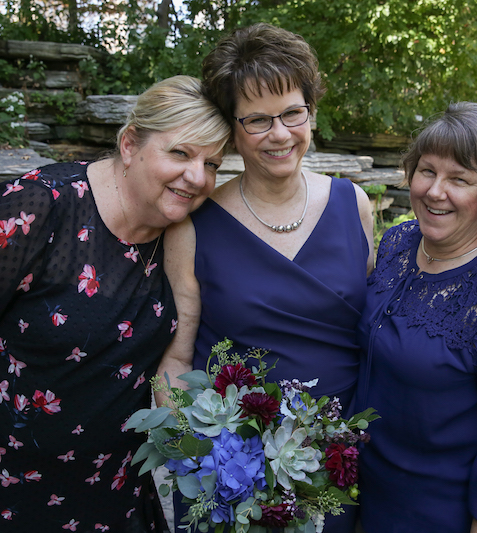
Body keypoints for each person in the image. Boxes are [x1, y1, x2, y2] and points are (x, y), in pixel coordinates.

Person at [0, 75, 229, 532]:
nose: (198, 177)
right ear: (129, 144)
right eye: (180, 153)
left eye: (213, 164)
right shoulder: (36, 209)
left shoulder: (180, 232)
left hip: (110, 498)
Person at [160, 23, 374, 532]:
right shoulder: (195, 225)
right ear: (232, 128)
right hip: (234, 479)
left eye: (292, 113)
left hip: (339, 463)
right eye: (257, 119)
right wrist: (195, 458)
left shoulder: (355, 206)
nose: (280, 134)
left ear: (311, 112)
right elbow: (176, 356)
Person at [355, 102, 477, 533]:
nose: (434, 191)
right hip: (360, 499)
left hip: (436, 517)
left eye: (459, 180)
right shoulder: (397, 242)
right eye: (427, 171)